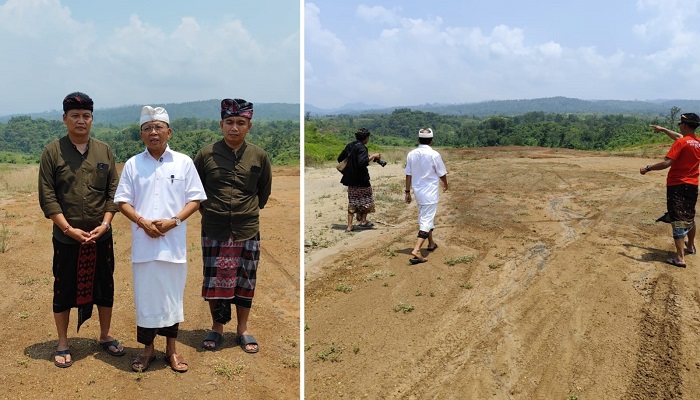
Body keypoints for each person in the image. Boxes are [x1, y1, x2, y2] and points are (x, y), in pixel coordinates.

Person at [114, 106, 206, 372]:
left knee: (172, 298)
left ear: (169, 131)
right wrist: (142, 222)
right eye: (147, 128)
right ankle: (147, 351)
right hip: (144, 245)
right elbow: (122, 201)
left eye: (158, 127)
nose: (153, 132)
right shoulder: (133, 164)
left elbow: (196, 199)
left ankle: (172, 351)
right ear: (141, 134)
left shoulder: (183, 162)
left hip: (172, 244)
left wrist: (173, 222)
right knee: (145, 299)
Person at [38, 92, 125, 368]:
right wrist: (68, 229)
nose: (80, 120)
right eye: (74, 115)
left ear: (92, 119)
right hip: (67, 238)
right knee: (63, 287)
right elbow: (48, 196)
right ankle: (63, 342)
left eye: (85, 115)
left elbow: (114, 190)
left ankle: (105, 335)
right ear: (64, 118)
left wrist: (106, 223)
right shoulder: (53, 152)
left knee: (105, 285)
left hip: (101, 235)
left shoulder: (104, 150)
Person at [194, 98, 272, 354]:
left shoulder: (259, 156)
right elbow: (196, 193)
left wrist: (244, 211)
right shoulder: (205, 155)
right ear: (221, 125)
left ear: (249, 126)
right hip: (214, 228)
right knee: (215, 280)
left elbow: (263, 193)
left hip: (247, 227)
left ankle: (242, 329)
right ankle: (217, 328)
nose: (234, 127)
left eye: (240, 122)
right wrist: (213, 212)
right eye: (229, 122)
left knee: (245, 279)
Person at [643, 113, 700, 268]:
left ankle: (680, 258)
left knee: (677, 219)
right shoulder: (696, 142)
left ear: (685, 125)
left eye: (681, 123)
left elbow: (667, 163)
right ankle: (690, 246)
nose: (680, 126)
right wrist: (662, 129)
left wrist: (647, 168)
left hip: (677, 185)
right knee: (689, 215)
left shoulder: (681, 143)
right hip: (693, 185)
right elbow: (679, 136)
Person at [404, 128, 448, 264]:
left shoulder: (411, 154)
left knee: (425, 216)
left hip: (418, 192)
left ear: (418, 140)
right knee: (426, 220)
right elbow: (441, 173)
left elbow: (408, 174)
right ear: (432, 140)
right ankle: (417, 250)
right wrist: (446, 184)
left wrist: (407, 192)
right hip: (430, 192)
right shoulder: (434, 155)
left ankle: (431, 243)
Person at [337, 128, 382, 232]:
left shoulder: (349, 145)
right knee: (366, 199)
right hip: (362, 179)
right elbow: (363, 163)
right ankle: (363, 221)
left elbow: (340, 158)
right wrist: (373, 156)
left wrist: (350, 165)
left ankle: (349, 226)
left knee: (352, 201)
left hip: (350, 179)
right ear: (366, 138)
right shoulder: (362, 148)